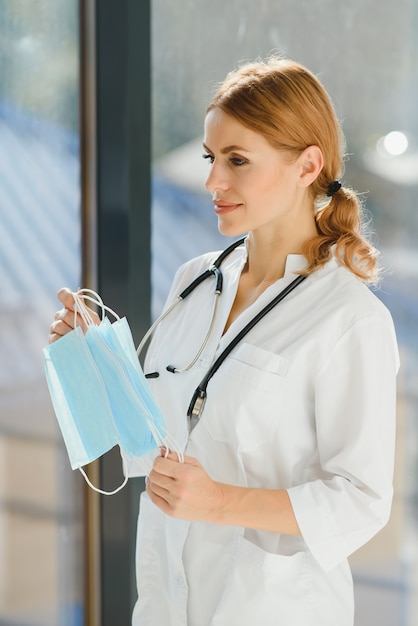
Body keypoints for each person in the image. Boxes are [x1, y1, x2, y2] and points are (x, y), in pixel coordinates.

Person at [49, 57, 399, 626]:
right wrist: (92, 366)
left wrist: (218, 503)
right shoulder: (194, 282)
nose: (213, 181)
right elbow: (158, 443)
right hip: (165, 606)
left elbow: (361, 499)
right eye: (213, 159)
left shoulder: (349, 318)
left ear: (308, 164)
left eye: (237, 160)